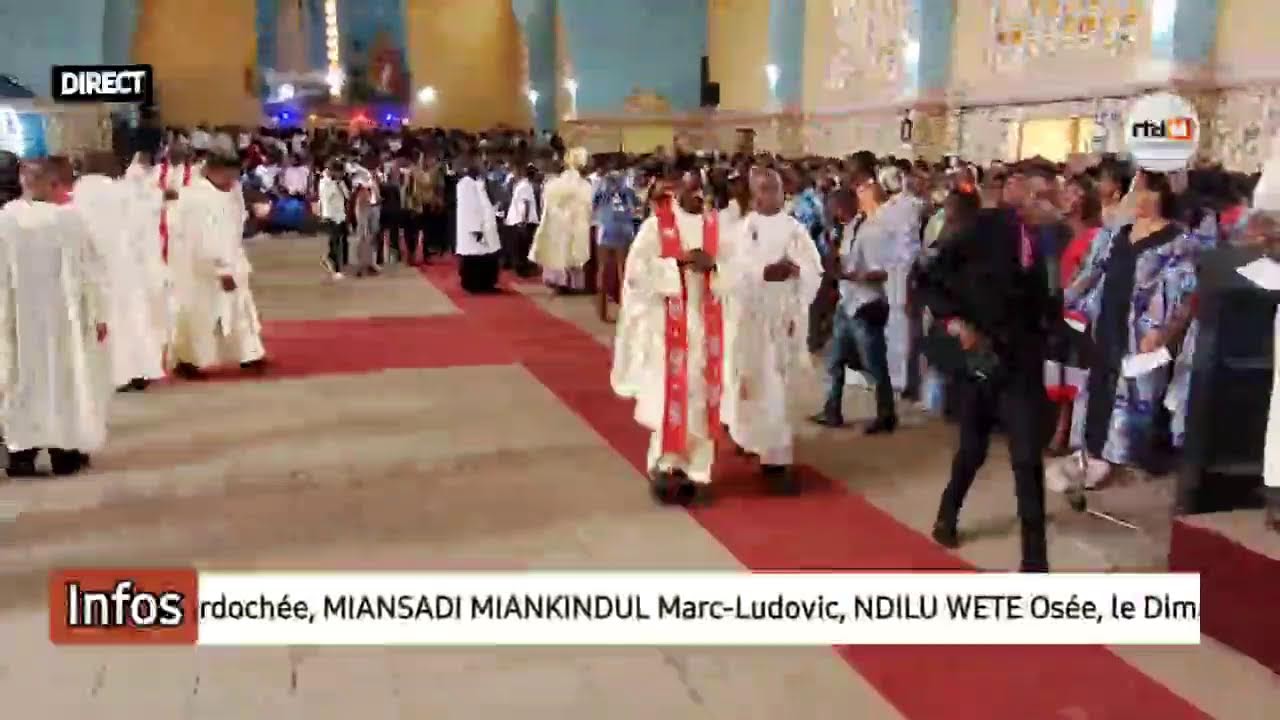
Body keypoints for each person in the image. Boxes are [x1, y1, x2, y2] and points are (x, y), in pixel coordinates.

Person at [915, 189, 1053, 572]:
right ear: (1020, 197)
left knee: (1026, 458)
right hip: (979, 358)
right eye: (1044, 197)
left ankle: (1035, 559)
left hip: (1022, 361)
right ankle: (948, 513)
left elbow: (1043, 301)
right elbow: (927, 279)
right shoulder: (980, 230)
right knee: (972, 449)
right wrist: (956, 324)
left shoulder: (1039, 242)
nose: (1052, 204)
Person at [1054, 171, 1199, 492]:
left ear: (1162, 196)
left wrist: (1162, 331)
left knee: (1136, 393)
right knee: (1098, 385)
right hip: (1104, 320)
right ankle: (1090, 453)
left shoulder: (1179, 241)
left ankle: (1125, 459)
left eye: (1146, 191)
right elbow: (1091, 272)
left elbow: (1183, 293)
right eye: (1136, 191)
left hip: (1142, 331)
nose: (1139, 198)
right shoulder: (1114, 233)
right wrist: (1062, 303)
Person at [611, 171, 733, 505]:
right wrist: (677, 264)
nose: (695, 196)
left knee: (702, 396)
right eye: (689, 188)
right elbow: (636, 272)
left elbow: (736, 269)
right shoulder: (657, 226)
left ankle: (698, 470)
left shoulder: (717, 226)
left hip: (709, 326)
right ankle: (666, 465)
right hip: (667, 327)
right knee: (671, 395)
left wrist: (714, 266)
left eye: (700, 191)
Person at [0, 159, 110, 477]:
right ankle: (65, 453)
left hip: (18, 322)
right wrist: (99, 313)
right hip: (65, 321)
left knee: (21, 383)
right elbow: (91, 271)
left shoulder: (6, 219)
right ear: (51, 185)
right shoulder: (69, 220)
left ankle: (22, 454)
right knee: (67, 381)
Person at [724, 168, 822, 494]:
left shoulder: (795, 229)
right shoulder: (741, 230)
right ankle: (748, 438)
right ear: (754, 195)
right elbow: (729, 272)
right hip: (752, 321)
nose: (771, 195)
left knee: (779, 390)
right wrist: (763, 272)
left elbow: (814, 269)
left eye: (776, 189)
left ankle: (777, 460)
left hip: (782, 322)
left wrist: (796, 271)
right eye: (764, 189)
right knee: (751, 384)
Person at [168, 152, 267, 379]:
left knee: (241, 308)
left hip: (232, 257)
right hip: (199, 266)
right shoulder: (195, 197)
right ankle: (186, 360)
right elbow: (201, 235)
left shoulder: (233, 191)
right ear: (214, 171)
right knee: (198, 314)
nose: (233, 179)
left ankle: (250, 354)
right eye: (229, 174)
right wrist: (220, 269)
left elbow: (235, 223)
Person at [73, 153, 167, 392]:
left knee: (108, 319)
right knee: (134, 316)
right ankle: (141, 370)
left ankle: (118, 375)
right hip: (126, 264)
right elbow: (144, 223)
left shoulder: (77, 194)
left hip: (95, 267)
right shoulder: (122, 192)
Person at [811, 177, 898, 434]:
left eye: (831, 208)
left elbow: (879, 273)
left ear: (841, 207)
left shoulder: (870, 232)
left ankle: (886, 415)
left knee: (875, 365)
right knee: (834, 360)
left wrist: (847, 275)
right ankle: (831, 410)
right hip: (848, 304)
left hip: (865, 305)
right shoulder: (849, 229)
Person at [530, 147, 592, 293]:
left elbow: (545, 205)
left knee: (561, 252)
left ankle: (561, 282)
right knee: (572, 253)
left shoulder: (553, 183)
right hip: (573, 222)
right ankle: (572, 284)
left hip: (560, 223)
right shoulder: (582, 184)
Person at [592, 164, 640, 322]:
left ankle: (602, 313)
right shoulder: (627, 187)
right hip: (624, 228)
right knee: (623, 273)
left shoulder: (601, 186)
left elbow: (593, 206)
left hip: (605, 228)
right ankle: (624, 312)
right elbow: (635, 206)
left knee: (602, 270)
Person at [455, 158, 502, 293]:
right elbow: (470, 208)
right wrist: (475, 228)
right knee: (476, 258)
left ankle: (485, 284)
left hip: (484, 225)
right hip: (476, 229)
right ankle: (475, 285)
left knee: (486, 257)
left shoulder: (476, 183)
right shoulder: (466, 184)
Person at [504, 163, 540, 277]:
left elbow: (525, 203)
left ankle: (523, 268)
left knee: (521, 247)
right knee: (522, 247)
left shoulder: (523, 185)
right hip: (522, 220)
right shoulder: (524, 185)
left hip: (521, 221)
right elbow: (525, 203)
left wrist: (523, 220)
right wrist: (523, 220)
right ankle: (522, 268)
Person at [318, 159, 349, 280]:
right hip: (331, 215)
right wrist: (335, 184)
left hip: (340, 214)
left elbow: (347, 195)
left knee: (337, 241)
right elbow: (325, 198)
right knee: (336, 242)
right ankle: (336, 270)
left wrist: (340, 184)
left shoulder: (339, 182)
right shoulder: (324, 182)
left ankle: (328, 259)